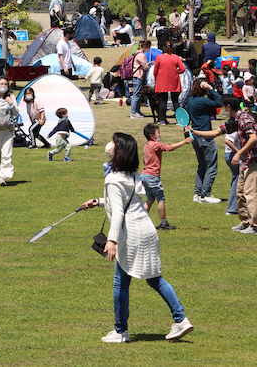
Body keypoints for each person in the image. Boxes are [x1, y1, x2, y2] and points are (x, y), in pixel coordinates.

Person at [81, 132, 193, 343]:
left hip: (131, 233)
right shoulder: (131, 174)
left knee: (120, 284)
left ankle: (120, 331)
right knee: (155, 279)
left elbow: (120, 214)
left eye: (114, 143)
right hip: (146, 230)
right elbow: (125, 202)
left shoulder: (113, 180)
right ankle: (181, 319)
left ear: (119, 151)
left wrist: (112, 240)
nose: (110, 145)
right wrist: (99, 200)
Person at [191, 95, 257, 234]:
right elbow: (215, 133)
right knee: (240, 192)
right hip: (246, 160)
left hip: (256, 159)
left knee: (250, 192)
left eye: (223, 107)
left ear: (228, 107)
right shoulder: (235, 120)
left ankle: (256, 226)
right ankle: (246, 222)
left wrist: (238, 153)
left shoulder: (245, 118)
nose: (222, 110)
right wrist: (194, 132)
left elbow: (253, 138)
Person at [141, 123, 192, 230]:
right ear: (152, 136)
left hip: (144, 176)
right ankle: (163, 223)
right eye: (158, 133)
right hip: (152, 177)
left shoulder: (146, 146)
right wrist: (184, 141)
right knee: (161, 199)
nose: (160, 135)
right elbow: (169, 148)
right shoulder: (155, 145)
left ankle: (139, 220)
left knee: (150, 199)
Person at [185, 80, 223, 204]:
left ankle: (197, 193)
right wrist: (210, 89)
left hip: (195, 136)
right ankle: (205, 194)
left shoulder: (190, 101)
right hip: (205, 136)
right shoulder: (203, 101)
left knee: (202, 166)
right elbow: (219, 102)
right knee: (211, 166)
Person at [152, 44, 186, 124]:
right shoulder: (176, 57)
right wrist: (177, 72)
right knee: (175, 101)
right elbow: (182, 68)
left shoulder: (159, 57)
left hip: (162, 80)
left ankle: (162, 120)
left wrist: (157, 76)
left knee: (163, 100)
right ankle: (178, 120)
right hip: (173, 80)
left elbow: (155, 70)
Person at [129, 40, 153, 120]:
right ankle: (133, 112)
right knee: (136, 94)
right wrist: (148, 65)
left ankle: (137, 111)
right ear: (145, 47)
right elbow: (145, 67)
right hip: (138, 76)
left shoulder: (137, 53)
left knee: (138, 95)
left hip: (136, 76)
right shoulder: (141, 55)